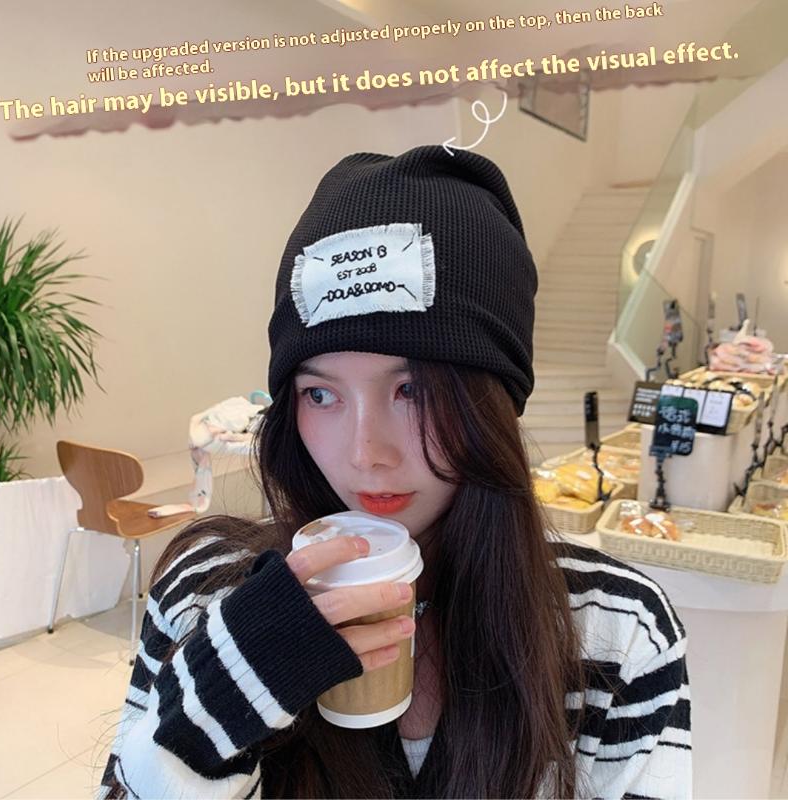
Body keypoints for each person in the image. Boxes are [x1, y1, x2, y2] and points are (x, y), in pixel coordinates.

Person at [98, 145, 691, 799]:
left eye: (412, 391)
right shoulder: (205, 592)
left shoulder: (615, 630)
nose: (364, 453)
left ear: (492, 404)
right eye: (320, 393)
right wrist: (209, 718)